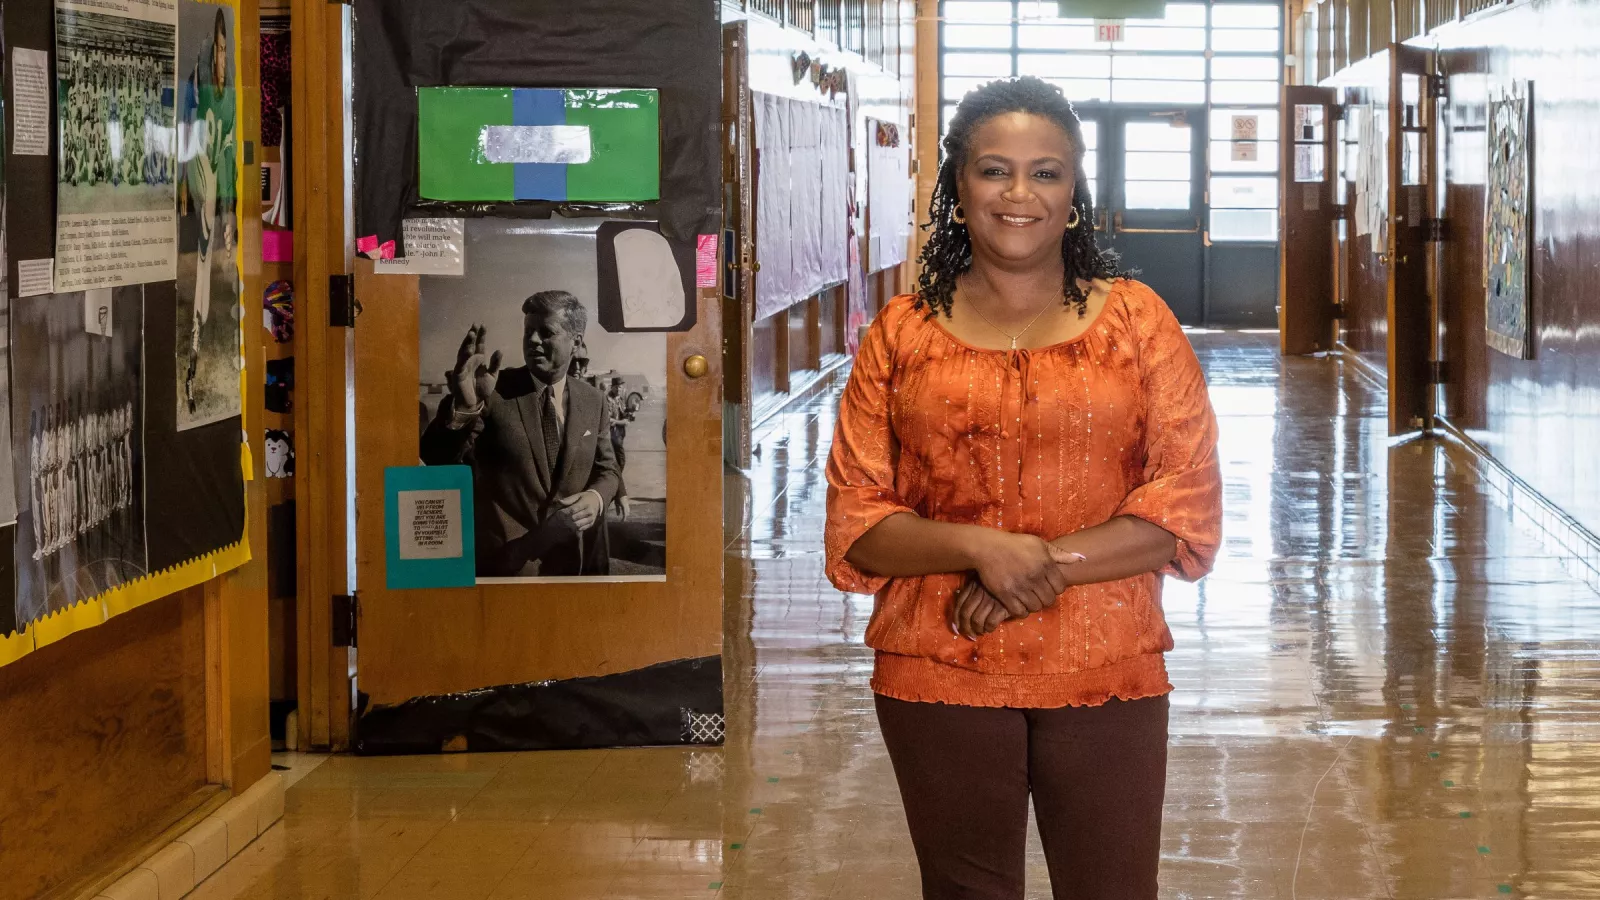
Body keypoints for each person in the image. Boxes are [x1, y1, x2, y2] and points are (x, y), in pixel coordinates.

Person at [824, 77, 1223, 900]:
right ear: (957, 187)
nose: (1019, 194)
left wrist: (1035, 571)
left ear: (1074, 192)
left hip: (1105, 660)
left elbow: (1183, 507)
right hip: (937, 663)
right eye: (993, 170)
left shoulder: (1139, 324)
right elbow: (857, 521)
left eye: (1046, 173)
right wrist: (981, 548)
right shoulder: (899, 335)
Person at [421, 290, 621, 577]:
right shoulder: (492, 390)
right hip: (504, 567)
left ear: (575, 342)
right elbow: (435, 459)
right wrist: (465, 408)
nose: (533, 341)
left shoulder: (594, 400)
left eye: (546, 332)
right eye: (529, 332)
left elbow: (608, 469)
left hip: (572, 569)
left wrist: (596, 498)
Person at [178, 9, 238, 412]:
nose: (223, 58)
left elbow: (230, 153)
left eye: (225, 50)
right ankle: (192, 357)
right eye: (218, 49)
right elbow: (185, 133)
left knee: (210, 263)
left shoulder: (229, 97)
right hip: (199, 180)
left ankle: (196, 352)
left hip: (215, 182)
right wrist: (185, 185)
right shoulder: (197, 87)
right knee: (199, 259)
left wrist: (231, 210)